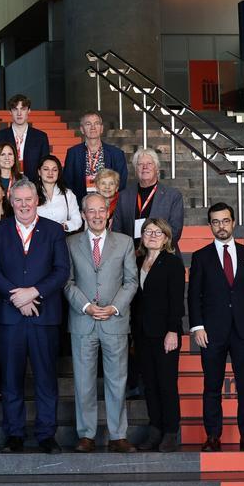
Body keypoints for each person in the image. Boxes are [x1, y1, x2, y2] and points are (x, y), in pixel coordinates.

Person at [0, 179, 70, 454]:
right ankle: (14, 434)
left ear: (37, 201)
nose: (24, 205)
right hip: (10, 317)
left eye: (28, 200)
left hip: (43, 316)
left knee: (46, 378)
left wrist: (33, 292)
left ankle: (46, 434)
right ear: (11, 202)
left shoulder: (54, 230)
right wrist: (17, 297)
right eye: (18, 200)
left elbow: (61, 270)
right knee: (10, 379)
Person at [189, 202, 244, 453]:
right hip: (211, 331)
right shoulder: (200, 256)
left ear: (233, 222)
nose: (221, 226)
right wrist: (197, 327)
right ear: (210, 225)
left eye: (225, 221)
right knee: (212, 386)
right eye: (215, 222)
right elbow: (193, 295)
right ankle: (213, 436)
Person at [64, 193, 138, 453]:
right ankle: (86, 435)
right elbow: (67, 281)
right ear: (83, 214)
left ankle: (118, 435)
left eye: (101, 210)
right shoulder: (71, 243)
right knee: (83, 381)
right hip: (82, 320)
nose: (96, 215)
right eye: (91, 211)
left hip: (114, 321)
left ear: (108, 213)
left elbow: (131, 281)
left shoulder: (125, 242)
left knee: (117, 380)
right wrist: (86, 306)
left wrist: (114, 307)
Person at [134, 218, 185, 453]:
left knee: (166, 385)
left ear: (166, 238)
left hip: (166, 333)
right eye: (148, 231)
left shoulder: (173, 263)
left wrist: (173, 331)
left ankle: (171, 432)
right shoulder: (137, 261)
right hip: (142, 333)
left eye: (158, 232)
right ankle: (155, 430)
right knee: (150, 385)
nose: (152, 236)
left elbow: (176, 301)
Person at [112, 147, 185, 248]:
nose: (145, 167)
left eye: (149, 164)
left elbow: (175, 231)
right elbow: (117, 230)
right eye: (140, 164)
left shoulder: (173, 196)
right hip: (131, 254)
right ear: (136, 169)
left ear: (157, 168)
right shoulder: (124, 196)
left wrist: (152, 252)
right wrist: (128, 252)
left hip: (162, 253)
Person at [63, 110, 128, 205]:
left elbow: (121, 183)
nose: (93, 127)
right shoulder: (73, 153)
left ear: (101, 128)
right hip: (81, 206)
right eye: (88, 124)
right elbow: (68, 182)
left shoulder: (116, 154)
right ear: (82, 129)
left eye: (96, 123)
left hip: (109, 206)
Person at [0, 94, 50, 181]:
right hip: (4, 184)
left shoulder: (41, 137)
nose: (19, 113)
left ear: (29, 111)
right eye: (15, 109)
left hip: (33, 185)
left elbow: (45, 165)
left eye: (23, 109)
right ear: (10, 112)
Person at [36, 156, 81, 233]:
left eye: (54, 170)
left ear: (59, 172)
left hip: (61, 236)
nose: (50, 173)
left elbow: (77, 220)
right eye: (46, 169)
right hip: (37, 236)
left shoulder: (68, 194)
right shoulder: (31, 193)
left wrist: (63, 226)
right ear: (39, 172)